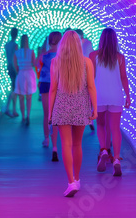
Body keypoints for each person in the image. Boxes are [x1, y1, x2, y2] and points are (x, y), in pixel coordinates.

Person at [49, 31, 97, 197]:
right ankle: (77, 179)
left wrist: (50, 112)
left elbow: (53, 89)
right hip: (81, 107)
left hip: (62, 107)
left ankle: (70, 182)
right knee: (77, 144)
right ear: (78, 44)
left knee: (66, 145)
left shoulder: (56, 62)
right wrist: (95, 108)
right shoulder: (86, 62)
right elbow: (91, 87)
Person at [89, 28, 130, 176]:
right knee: (115, 128)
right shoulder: (120, 57)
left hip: (99, 95)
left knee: (100, 124)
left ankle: (104, 150)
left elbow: (91, 78)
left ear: (101, 40)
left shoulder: (93, 55)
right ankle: (117, 159)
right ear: (115, 40)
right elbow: (124, 77)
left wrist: (88, 96)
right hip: (115, 96)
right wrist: (128, 96)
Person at [36, 31, 62, 161]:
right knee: (57, 115)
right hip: (59, 85)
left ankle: (46, 139)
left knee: (47, 114)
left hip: (45, 84)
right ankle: (56, 146)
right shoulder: (62, 55)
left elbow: (37, 66)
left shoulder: (43, 54)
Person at [13, 34, 37, 125]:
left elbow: (15, 65)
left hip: (21, 74)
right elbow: (34, 64)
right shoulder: (31, 52)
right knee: (29, 97)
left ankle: (23, 116)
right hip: (30, 74)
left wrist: (19, 71)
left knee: (21, 97)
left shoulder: (17, 52)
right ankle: (28, 116)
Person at [75, 29, 95, 131]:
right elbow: (91, 56)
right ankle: (88, 118)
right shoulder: (88, 43)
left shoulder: (74, 43)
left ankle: (80, 118)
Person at [4, 28, 19, 117]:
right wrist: (17, 70)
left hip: (8, 66)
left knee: (13, 88)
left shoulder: (7, 45)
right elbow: (15, 58)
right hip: (13, 67)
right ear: (16, 35)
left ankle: (12, 109)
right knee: (14, 89)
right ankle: (9, 109)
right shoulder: (15, 45)